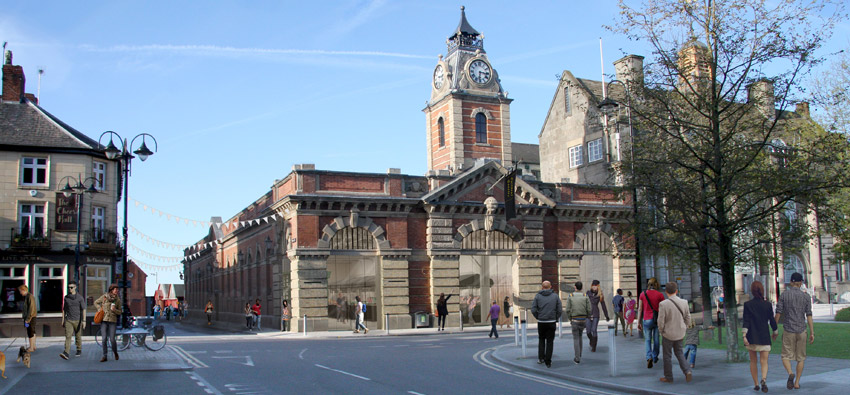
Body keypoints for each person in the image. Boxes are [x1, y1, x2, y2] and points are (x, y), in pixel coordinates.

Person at [775, 272, 814, 390]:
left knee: (785, 356)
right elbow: (809, 315)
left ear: (791, 282)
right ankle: (797, 382)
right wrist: (812, 332)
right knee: (801, 358)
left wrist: (774, 327)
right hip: (802, 329)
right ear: (801, 282)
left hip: (788, 329)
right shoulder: (806, 297)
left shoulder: (784, 295)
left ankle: (790, 373)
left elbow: (778, 312)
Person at [743, 281, 778, 392]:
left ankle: (756, 384)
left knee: (753, 361)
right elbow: (772, 320)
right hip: (764, 336)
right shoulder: (767, 305)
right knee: (764, 361)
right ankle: (764, 379)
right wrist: (775, 331)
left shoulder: (747, 305)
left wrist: (744, 335)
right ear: (762, 290)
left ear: (752, 291)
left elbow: (746, 321)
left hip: (752, 336)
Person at [657, 282, 692, 383]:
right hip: (680, 332)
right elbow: (688, 317)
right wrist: (685, 326)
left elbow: (661, 320)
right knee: (680, 353)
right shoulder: (684, 302)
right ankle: (687, 371)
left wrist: (661, 330)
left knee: (667, 356)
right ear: (676, 291)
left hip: (668, 333)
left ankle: (669, 377)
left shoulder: (663, 304)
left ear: (666, 292)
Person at [531, 280, 562, 368]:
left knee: (541, 339)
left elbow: (533, 309)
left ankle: (541, 358)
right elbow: (559, 309)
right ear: (550, 286)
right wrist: (555, 317)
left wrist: (538, 316)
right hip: (551, 321)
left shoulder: (537, 296)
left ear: (542, 287)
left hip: (541, 322)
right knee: (550, 341)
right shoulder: (555, 296)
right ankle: (548, 361)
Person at [638, 277, 665, 368]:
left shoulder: (643, 294)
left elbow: (640, 309)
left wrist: (638, 322)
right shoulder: (660, 295)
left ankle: (648, 357)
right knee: (656, 339)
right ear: (656, 284)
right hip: (657, 320)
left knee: (648, 339)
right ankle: (654, 356)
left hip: (646, 319)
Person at [565, 281, 591, 364]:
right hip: (583, 319)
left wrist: (570, 318)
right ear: (582, 288)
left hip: (575, 319)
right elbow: (589, 309)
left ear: (575, 287)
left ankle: (577, 357)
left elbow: (567, 309)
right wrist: (587, 317)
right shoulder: (585, 296)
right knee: (580, 336)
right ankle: (580, 353)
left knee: (576, 338)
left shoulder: (571, 296)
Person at [94, 284, 122, 362]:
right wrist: (99, 309)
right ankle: (104, 356)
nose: (117, 291)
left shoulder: (118, 300)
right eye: (115, 289)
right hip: (104, 320)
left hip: (112, 321)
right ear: (111, 290)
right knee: (104, 339)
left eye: (117, 290)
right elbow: (96, 302)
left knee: (112, 339)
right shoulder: (105, 297)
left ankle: (115, 352)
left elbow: (120, 312)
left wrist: (114, 310)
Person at [60, 281, 86, 359]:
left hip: (78, 320)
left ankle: (79, 349)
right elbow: (64, 309)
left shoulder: (80, 298)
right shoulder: (66, 297)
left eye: (71, 287)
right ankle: (66, 352)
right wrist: (63, 319)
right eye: (68, 287)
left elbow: (83, 309)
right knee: (68, 336)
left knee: (78, 336)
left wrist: (84, 320)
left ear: (75, 287)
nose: (70, 289)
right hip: (69, 320)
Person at [586, 280, 610, 352]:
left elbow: (603, 305)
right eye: (593, 285)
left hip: (596, 314)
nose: (594, 287)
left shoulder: (600, 294)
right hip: (588, 314)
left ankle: (594, 347)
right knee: (588, 331)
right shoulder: (588, 293)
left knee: (594, 330)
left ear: (598, 286)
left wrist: (606, 315)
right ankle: (591, 340)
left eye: (596, 285)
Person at [18, 285, 37, 352]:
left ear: (23, 290)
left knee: (30, 332)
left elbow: (31, 309)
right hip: (32, 317)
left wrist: (27, 319)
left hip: (30, 318)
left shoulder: (29, 297)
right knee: (33, 331)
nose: (20, 293)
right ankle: (33, 346)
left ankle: (31, 347)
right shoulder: (28, 296)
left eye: (20, 291)